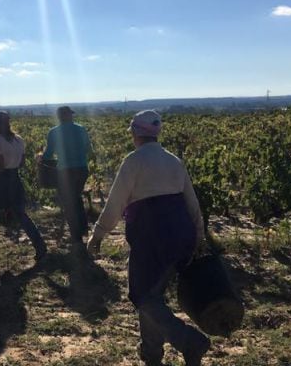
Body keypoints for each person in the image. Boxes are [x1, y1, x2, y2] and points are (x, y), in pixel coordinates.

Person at [86, 110, 209, 366]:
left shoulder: (134, 161)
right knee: (152, 295)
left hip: (152, 240)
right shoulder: (174, 161)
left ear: (135, 132)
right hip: (181, 237)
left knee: (142, 296)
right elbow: (192, 202)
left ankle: (188, 340)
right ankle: (152, 354)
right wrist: (198, 236)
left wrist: (98, 235)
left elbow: (115, 203)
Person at [0, 111, 47, 261]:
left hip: (0, 182)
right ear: (8, 122)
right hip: (15, 179)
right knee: (21, 214)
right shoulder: (19, 140)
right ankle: (40, 246)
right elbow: (21, 163)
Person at [41, 106, 92, 245]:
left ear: (58, 117)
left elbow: (49, 154)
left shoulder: (54, 132)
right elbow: (89, 149)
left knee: (69, 202)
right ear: (70, 115)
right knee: (76, 198)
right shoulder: (81, 129)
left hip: (65, 171)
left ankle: (77, 235)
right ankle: (82, 230)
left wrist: (40, 158)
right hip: (82, 169)